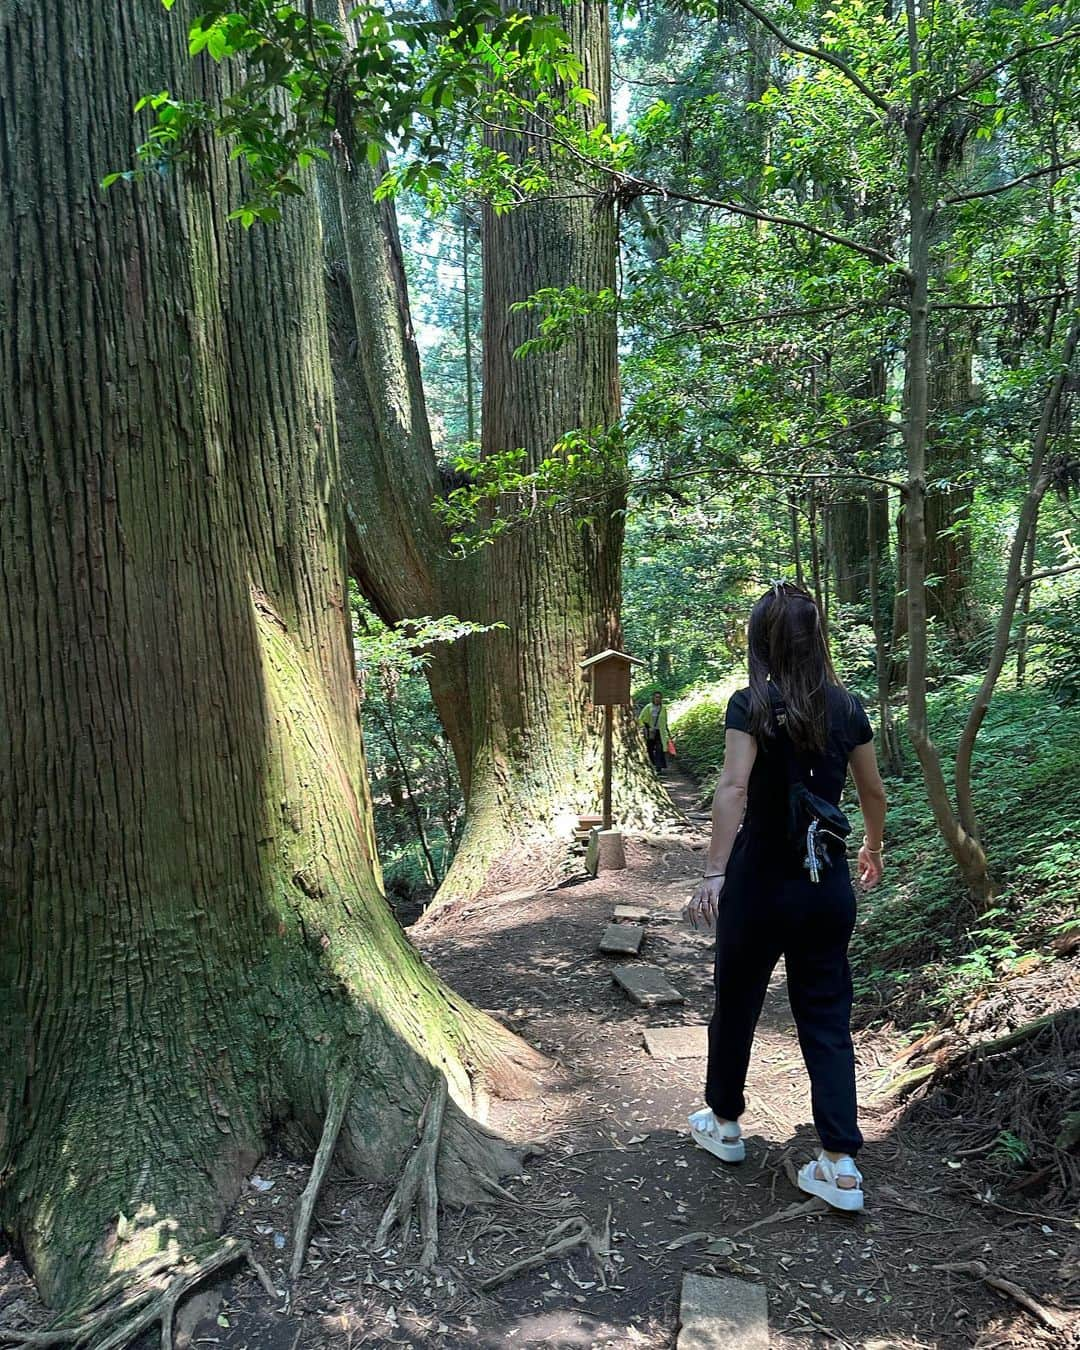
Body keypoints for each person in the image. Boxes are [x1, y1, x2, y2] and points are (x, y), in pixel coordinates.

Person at [684, 582, 886, 1212]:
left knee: (737, 1000)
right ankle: (839, 1163)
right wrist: (871, 847)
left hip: (758, 884)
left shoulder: (750, 704)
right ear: (816, 638)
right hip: (825, 884)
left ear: (761, 640)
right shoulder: (848, 708)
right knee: (825, 1013)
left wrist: (714, 872)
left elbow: (734, 789)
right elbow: (873, 793)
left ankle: (724, 1123)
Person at [638, 691, 671, 773]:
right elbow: (640, 719)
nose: (658, 699)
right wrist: (646, 727)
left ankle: (658, 767)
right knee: (650, 748)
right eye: (656, 697)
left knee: (660, 749)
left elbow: (665, 720)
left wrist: (667, 731)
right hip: (651, 731)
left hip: (660, 732)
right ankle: (652, 764)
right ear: (653, 698)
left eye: (659, 697)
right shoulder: (648, 707)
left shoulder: (663, 708)